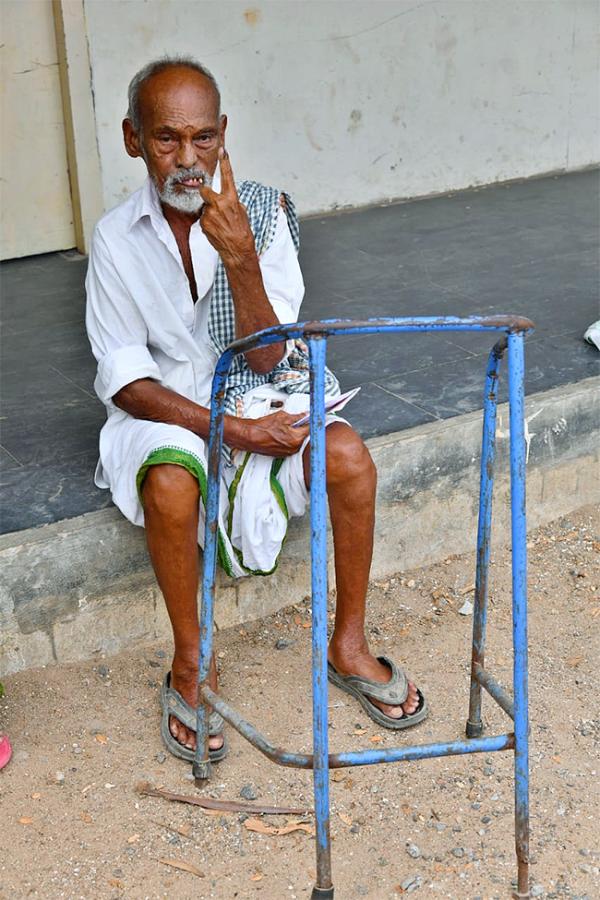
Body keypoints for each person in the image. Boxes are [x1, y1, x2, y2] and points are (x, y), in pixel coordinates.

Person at [85, 57, 428, 763]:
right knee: (173, 483)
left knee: (349, 459)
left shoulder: (262, 216)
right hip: (164, 409)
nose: (188, 161)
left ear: (224, 135)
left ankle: (350, 643)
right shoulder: (115, 238)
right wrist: (233, 431)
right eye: (166, 140)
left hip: (257, 390)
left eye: (204, 139)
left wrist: (240, 259)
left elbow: (272, 360)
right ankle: (191, 662)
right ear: (131, 139)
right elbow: (126, 381)